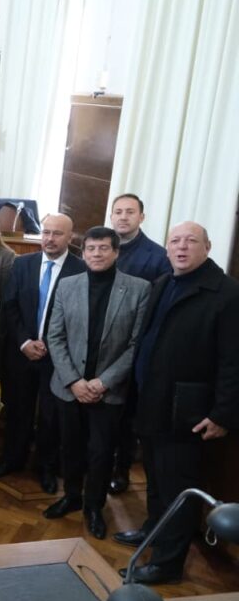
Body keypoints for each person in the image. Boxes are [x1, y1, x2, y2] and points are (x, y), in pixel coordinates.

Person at [114, 221, 239, 584]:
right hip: (153, 402)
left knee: (178, 490)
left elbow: (234, 362)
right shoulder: (164, 282)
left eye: (191, 241)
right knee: (154, 479)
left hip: (189, 410)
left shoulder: (227, 294)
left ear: (208, 247)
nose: (181, 248)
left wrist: (222, 414)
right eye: (175, 241)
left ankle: (167, 565)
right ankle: (153, 531)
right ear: (167, 248)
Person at [42, 226, 150, 539]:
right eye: (91, 249)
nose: (97, 254)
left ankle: (94, 506)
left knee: (101, 452)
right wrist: (74, 381)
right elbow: (55, 336)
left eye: (104, 248)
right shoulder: (67, 285)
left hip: (109, 391)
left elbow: (135, 344)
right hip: (68, 387)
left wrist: (102, 382)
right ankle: (72, 496)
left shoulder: (138, 289)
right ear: (83, 251)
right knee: (70, 447)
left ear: (116, 252)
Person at [0, 214, 85, 493]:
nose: (49, 239)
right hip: (21, 352)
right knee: (18, 408)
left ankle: (45, 467)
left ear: (70, 237)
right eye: (46, 232)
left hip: (59, 359)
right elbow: (10, 306)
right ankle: (12, 459)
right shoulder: (23, 264)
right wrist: (24, 342)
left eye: (57, 234)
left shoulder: (80, 270)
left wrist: (52, 346)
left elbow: (79, 319)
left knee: (51, 415)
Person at [106, 192, 171, 495]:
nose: (123, 217)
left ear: (141, 217)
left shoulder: (157, 257)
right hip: (99, 346)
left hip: (132, 347)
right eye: (118, 211)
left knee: (124, 417)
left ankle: (120, 471)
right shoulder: (101, 247)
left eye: (129, 212)